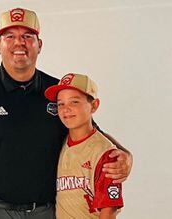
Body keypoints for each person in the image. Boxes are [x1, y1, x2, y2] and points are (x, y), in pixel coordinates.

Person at [0, 8, 132, 219]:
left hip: (47, 211)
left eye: (27, 36)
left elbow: (91, 133)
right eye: (9, 36)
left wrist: (126, 156)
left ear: (39, 45)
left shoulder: (58, 93)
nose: (18, 43)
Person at [45, 73, 124, 218]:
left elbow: (109, 210)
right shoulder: (61, 142)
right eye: (60, 104)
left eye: (74, 102)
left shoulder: (104, 152)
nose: (65, 109)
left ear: (94, 105)